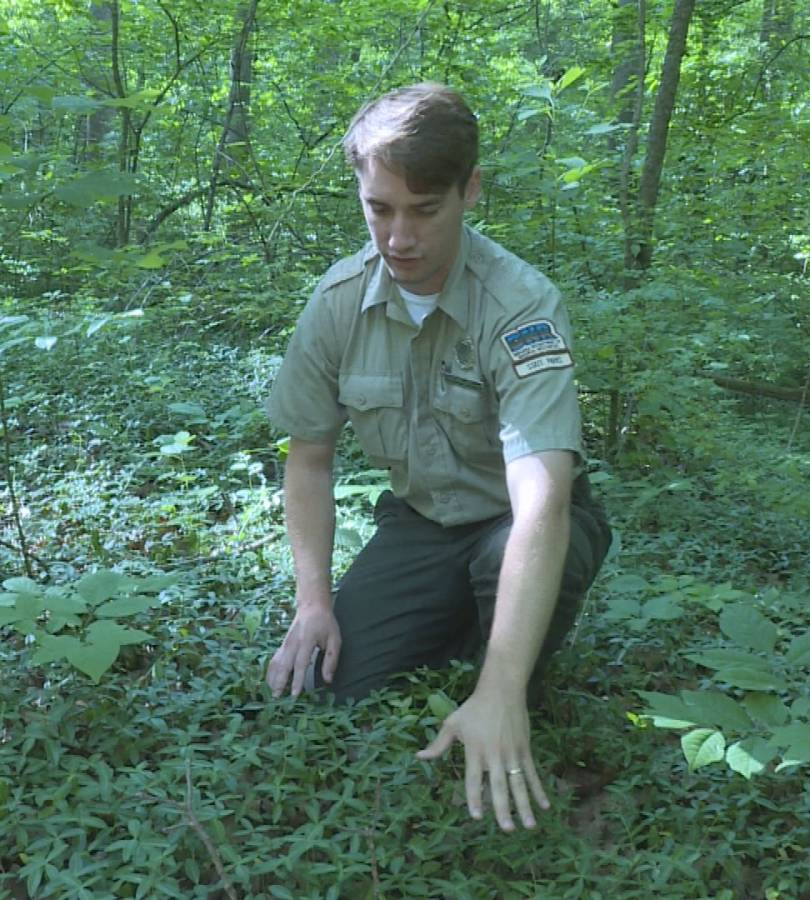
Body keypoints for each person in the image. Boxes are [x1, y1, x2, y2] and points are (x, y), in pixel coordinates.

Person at [262, 83, 612, 832]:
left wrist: (503, 688)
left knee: (497, 653)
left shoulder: (520, 306)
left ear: (469, 190)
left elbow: (542, 500)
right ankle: (465, 631)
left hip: (517, 522)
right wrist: (313, 604)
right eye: (379, 209)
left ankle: (502, 664)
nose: (399, 238)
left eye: (424, 209)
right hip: (421, 525)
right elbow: (311, 460)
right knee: (335, 684)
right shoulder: (337, 303)